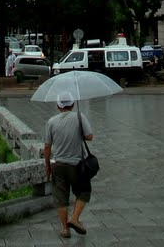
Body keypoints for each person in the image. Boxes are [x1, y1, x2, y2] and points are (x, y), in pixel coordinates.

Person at [43, 91, 94, 239]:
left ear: (58, 106)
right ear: (72, 104)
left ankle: (65, 229)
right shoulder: (79, 117)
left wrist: (47, 165)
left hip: (58, 165)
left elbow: (47, 147)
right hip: (77, 165)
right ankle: (75, 218)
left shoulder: (51, 121)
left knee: (61, 197)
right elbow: (89, 137)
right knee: (83, 192)